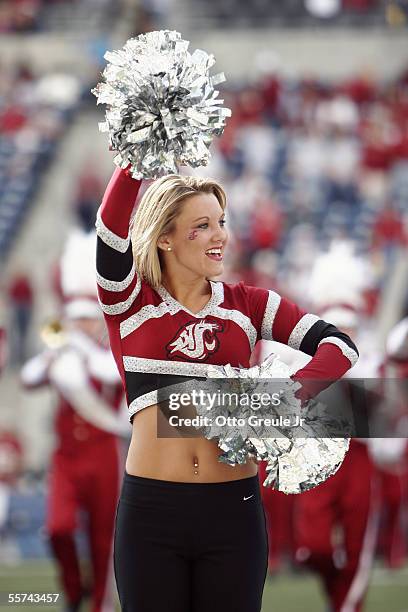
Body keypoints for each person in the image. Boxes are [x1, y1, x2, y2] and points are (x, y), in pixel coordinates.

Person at [95, 166, 359, 612]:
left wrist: (284, 399)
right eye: (202, 226)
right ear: (165, 238)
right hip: (152, 513)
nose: (220, 235)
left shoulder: (250, 305)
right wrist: (131, 163)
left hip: (233, 510)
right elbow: (110, 229)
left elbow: (340, 345)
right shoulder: (129, 303)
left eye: (222, 221)